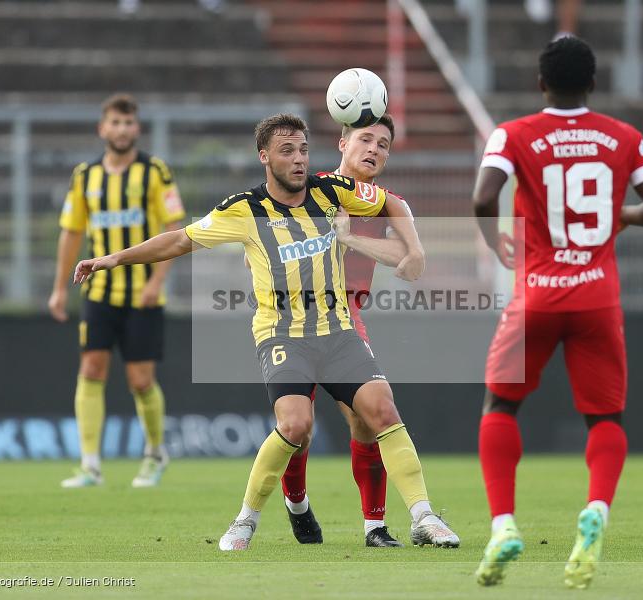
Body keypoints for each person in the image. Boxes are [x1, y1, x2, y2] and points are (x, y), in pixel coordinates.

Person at [72, 113, 460, 551]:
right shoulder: (243, 209)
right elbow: (179, 239)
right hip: (283, 335)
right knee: (296, 425)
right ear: (264, 157)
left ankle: (423, 517)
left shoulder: (332, 191)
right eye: (287, 151)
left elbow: (396, 203)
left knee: (382, 410)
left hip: (338, 331)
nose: (299, 160)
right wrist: (113, 259)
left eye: (304, 150)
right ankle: (245, 520)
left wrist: (414, 244)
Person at [471, 37, 643, 589]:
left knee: (501, 404)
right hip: (597, 298)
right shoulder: (623, 136)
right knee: (605, 419)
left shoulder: (514, 133)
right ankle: (597, 510)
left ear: (541, 84)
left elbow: (484, 199)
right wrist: (619, 215)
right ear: (592, 83)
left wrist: (495, 242)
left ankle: (503, 525)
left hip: (536, 294)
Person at [276, 115, 413, 548]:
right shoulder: (309, 189)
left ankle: (374, 526)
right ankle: (297, 505)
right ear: (341, 143)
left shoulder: (387, 202)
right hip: (295, 318)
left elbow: (410, 260)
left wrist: (350, 238)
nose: (374, 149)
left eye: (384, 144)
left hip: (348, 318)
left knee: (366, 419)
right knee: (298, 428)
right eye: (366, 139)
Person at [48, 93, 184, 489]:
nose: (122, 130)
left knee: (140, 380)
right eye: (115, 123)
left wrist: (158, 281)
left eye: (128, 123)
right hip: (98, 293)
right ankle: (90, 464)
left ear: (136, 129)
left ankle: (155, 453)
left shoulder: (155, 172)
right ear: (102, 128)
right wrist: (59, 289)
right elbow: (71, 233)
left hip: (143, 294)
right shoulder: (84, 176)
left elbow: (175, 229)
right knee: (91, 370)